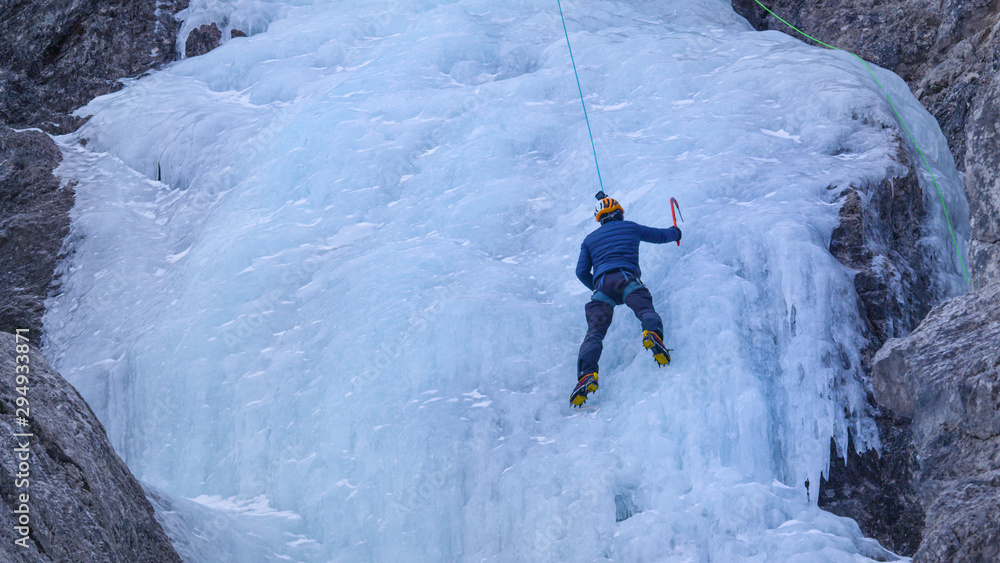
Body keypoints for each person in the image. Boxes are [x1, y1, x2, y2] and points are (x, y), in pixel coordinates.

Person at [571, 193, 681, 406]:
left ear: (600, 219)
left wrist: (596, 286)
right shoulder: (630, 227)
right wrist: (676, 232)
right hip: (626, 278)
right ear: (619, 213)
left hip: (601, 287)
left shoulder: (589, 240)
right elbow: (658, 235)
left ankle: (587, 374)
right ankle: (652, 334)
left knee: (594, 334)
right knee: (645, 310)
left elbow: (581, 271)